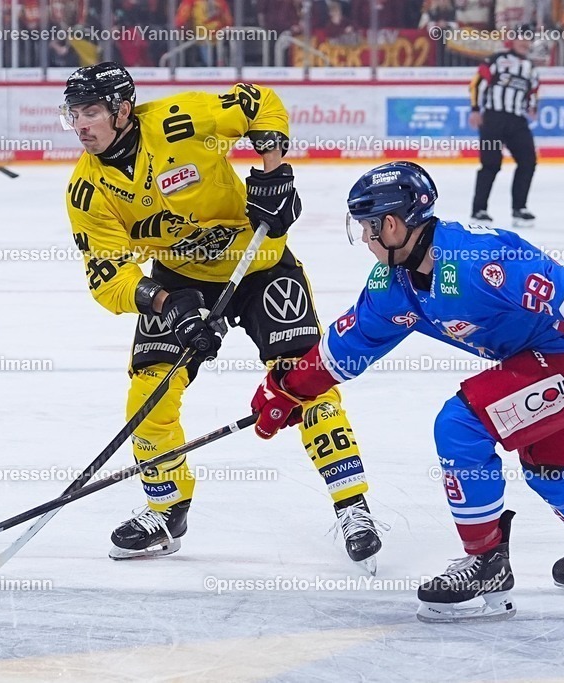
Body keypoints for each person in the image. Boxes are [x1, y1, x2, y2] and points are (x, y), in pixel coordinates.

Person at [251, 161, 564, 622]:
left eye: (367, 227)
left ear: (392, 223)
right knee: (552, 468)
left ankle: (485, 562)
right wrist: (287, 389)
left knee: (461, 425)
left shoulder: (478, 258)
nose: (363, 239)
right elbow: (345, 349)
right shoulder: (392, 284)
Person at [63, 62, 385, 571]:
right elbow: (106, 278)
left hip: (257, 260)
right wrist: (166, 304)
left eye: (92, 112)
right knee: (148, 393)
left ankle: (353, 507)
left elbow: (260, 102)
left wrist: (276, 172)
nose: (81, 125)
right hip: (178, 280)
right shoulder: (88, 191)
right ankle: (166, 511)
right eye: (74, 114)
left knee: (304, 380)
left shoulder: (181, 118)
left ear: (123, 110)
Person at [469, 26, 540, 228]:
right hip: (493, 120)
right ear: (513, 40)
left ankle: (520, 208)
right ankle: (479, 210)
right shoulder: (496, 60)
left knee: (528, 162)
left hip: (517, 121)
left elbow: (534, 91)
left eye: (529, 40)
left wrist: (533, 106)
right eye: (522, 39)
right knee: (491, 164)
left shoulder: (531, 69)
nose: (525, 43)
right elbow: (476, 84)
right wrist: (475, 109)